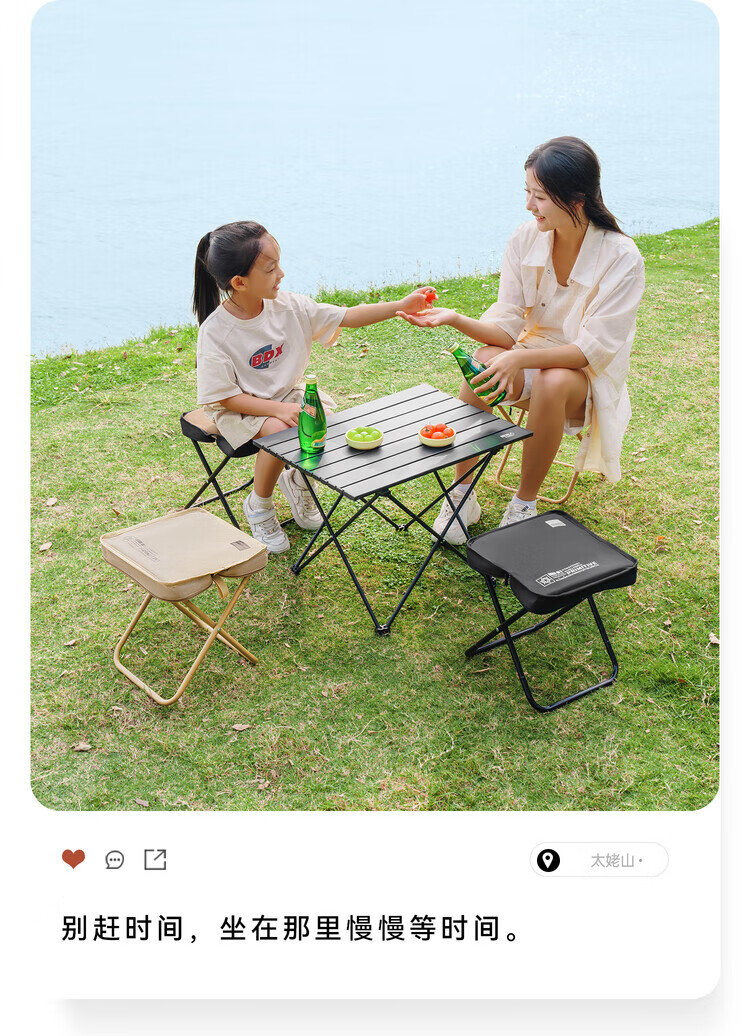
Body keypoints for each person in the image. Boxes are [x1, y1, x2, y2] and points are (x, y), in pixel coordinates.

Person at [398, 136, 646, 542]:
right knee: (483, 361)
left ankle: (524, 505)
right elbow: (506, 328)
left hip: (581, 379)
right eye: (527, 192)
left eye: (540, 197)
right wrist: (454, 319)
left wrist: (518, 359)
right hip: (528, 358)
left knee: (552, 378)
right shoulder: (524, 238)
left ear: (577, 199)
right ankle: (462, 494)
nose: (529, 205)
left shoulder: (622, 257)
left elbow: (590, 352)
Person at [193, 221, 434, 552]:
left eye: (279, 264)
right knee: (280, 429)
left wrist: (399, 306)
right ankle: (259, 505)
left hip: (288, 396)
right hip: (242, 408)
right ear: (239, 282)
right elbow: (226, 397)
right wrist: (278, 409)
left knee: (320, 422)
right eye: (270, 269)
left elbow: (347, 316)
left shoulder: (290, 306)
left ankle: (297, 480)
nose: (281, 274)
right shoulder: (216, 332)